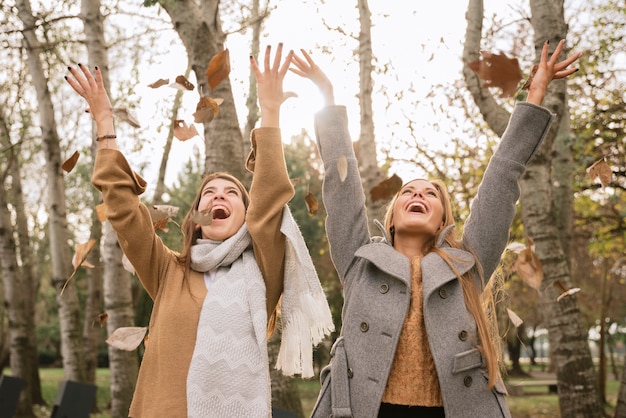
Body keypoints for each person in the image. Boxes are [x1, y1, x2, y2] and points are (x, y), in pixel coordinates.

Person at [291, 39, 581, 418]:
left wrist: (536, 94)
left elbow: (502, 176)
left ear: (443, 220)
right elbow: (341, 185)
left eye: (431, 194)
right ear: (392, 217)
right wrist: (327, 98)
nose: (419, 194)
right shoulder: (359, 262)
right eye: (409, 191)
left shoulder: (467, 265)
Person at [65, 43, 333, 418]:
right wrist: (105, 126)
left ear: (246, 215)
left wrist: (270, 112)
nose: (218, 197)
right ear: (196, 217)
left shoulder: (262, 271)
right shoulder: (169, 271)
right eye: (209, 193)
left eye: (230, 194)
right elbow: (125, 213)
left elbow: (270, 202)